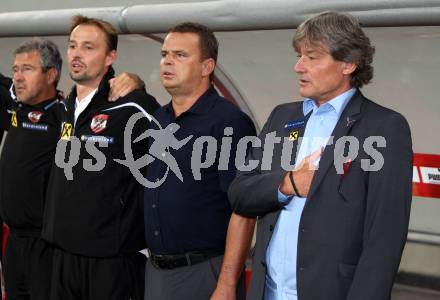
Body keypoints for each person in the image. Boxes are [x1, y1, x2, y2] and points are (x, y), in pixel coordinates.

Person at [229, 11, 413, 300]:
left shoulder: (384, 127)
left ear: (348, 63)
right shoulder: (282, 117)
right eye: (299, 56)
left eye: (312, 57)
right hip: (267, 292)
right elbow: (240, 193)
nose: (298, 67)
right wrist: (286, 184)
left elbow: (384, 238)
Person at [0, 37, 145, 300]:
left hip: (49, 245)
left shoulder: (64, 115)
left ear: (51, 75)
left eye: (27, 69)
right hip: (13, 242)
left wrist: (135, 81)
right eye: (15, 70)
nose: (17, 78)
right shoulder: (14, 109)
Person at [40, 15, 159, 300]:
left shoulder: (132, 105)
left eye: (88, 47)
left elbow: (169, 158)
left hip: (111, 260)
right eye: (72, 46)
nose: (76, 54)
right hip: (63, 254)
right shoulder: (66, 106)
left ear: (110, 57)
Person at [143, 22, 256, 300]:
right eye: (164, 54)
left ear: (207, 67)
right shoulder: (159, 119)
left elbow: (243, 210)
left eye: (180, 55)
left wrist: (227, 283)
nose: (168, 61)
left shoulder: (231, 123)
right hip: (156, 271)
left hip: (205, 271)